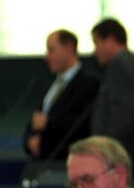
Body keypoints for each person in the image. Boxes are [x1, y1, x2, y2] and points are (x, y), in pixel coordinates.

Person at [90, 18, 134, 181]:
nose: (95, 51)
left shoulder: (119, 65)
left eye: (96, 43)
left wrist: (105, 154)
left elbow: (121, 116)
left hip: (121, 160)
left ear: (111, 40)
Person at [23, 30, 99, 160]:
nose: (47, 57)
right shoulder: (49, 85)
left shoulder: (90, 83)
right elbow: (35, 122)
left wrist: (49, 124)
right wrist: (29, 141)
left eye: (51, 50)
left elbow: (84, 124)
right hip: (41, 163)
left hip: (68, 162)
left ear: (69, 48)